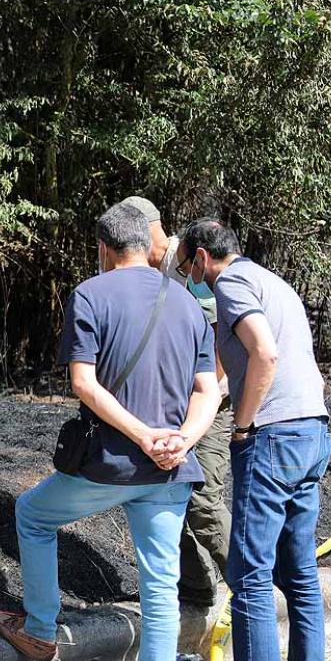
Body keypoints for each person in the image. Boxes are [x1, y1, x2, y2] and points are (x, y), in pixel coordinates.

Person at [0, 203, 220, 661]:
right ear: (149, 243)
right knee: (160, 588)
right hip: (171, 469)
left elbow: (85, 385)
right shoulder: (187, 302)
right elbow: (208, 390)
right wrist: (180, 439)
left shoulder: (91, 294)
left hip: (112, 464)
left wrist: (141, 437)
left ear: (103, 247)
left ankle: (41, 630)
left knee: (33, 514)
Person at [183, 219, 331, 661]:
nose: (189, 276)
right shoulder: (273, 281)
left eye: (187, 266)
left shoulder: (230, 284)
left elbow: (264, 354)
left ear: (202, 257)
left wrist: (242, 425)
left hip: (273, 435)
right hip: (312, 430)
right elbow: (244, 364)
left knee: (249, 572)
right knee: (299, 571)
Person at [121, 196, 232, 608]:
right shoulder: (147, 271)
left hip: (213, 403)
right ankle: (198, 587)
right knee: (166, 491)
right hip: (175, 401)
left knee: (202, 501)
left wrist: (206, 396)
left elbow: (222, 335)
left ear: (151, 228)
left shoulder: (185, 267)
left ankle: (256, 589)